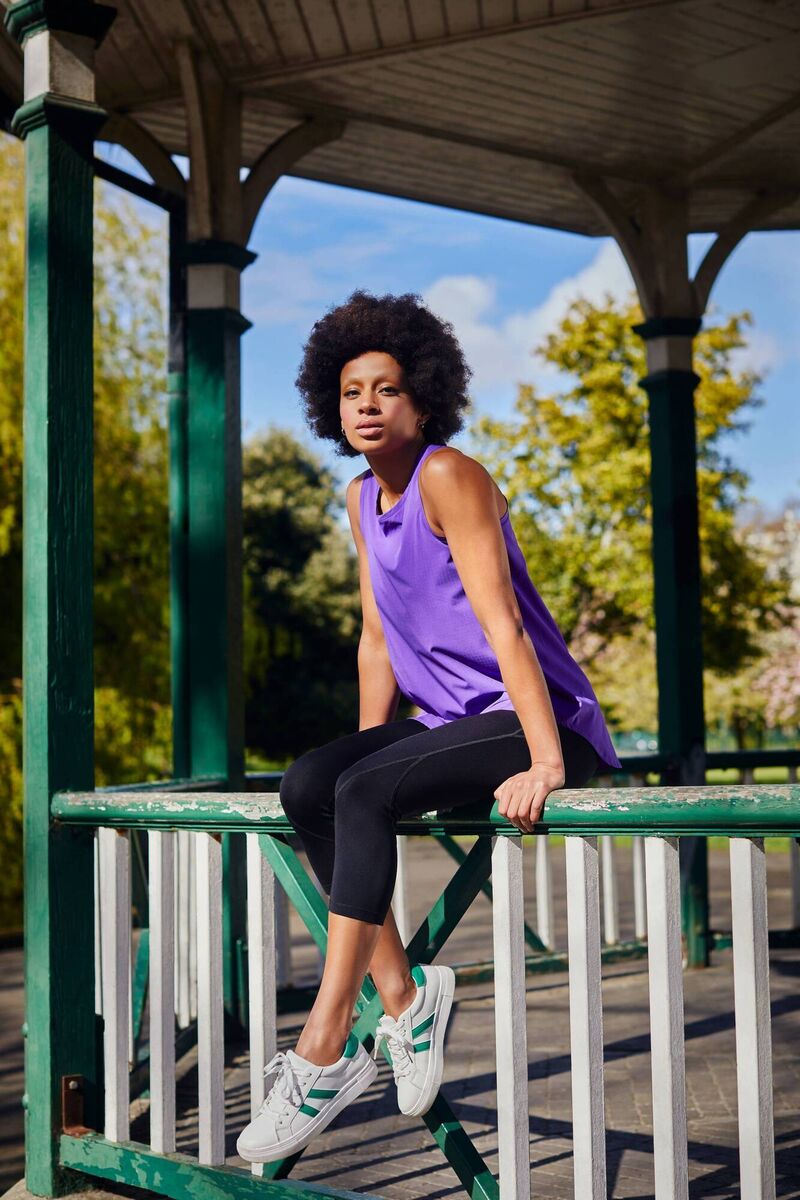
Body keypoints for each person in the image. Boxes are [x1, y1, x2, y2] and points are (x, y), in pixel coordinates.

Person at [236, 289, 622, 1165]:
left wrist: (550, 760)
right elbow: (378, 635)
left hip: (531, 716)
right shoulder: (357, 497)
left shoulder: (450, 475)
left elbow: (505, 626)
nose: (366, 405)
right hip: (447, 719)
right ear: (330, 408)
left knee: (363, 789)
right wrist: (354, 764)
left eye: (385, 389)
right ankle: (407, 1002)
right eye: (349, 393)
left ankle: (325, 1048)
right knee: (310, 783)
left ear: (424, 399)